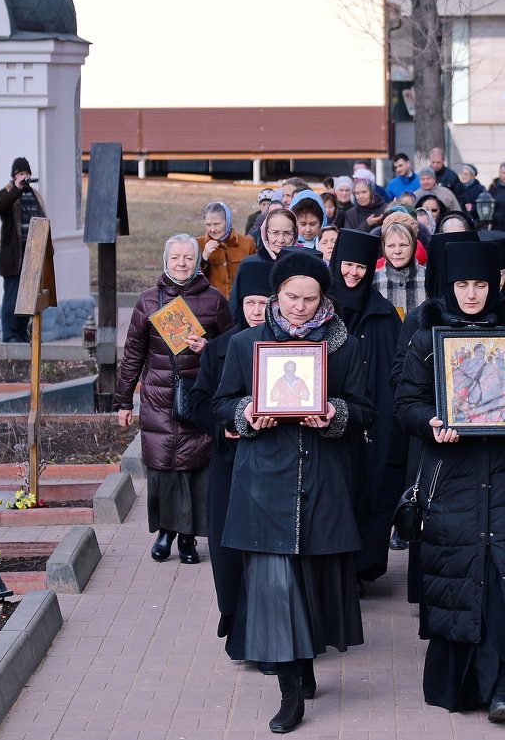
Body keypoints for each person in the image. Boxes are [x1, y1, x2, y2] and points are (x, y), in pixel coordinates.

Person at [393, 241, 505, 723]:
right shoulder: (428, 332)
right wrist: (432, 424)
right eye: (463, 284)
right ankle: (466, 682)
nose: (471, 294)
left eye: (480, 284)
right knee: (461, 575)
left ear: (497, 283)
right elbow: (406, 403)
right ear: (451, 285)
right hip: (452, 477)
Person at [212, 251, 373, 734]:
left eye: (310, 298)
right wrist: (245, 413)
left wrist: (334, 414)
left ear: (324, 298)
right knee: (273, 589)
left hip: (322, 481)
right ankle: (288, 694)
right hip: (263, 484)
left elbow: (365, 410)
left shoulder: (344, 346)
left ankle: (303, 667)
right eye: (291, 297)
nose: (300, 307)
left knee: (314, 587)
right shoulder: (246, 344)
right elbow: (220, 404)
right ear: (276, 295)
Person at [116, 234, 233, 565]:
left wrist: (207, 348)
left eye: (188, 257)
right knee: (163, 467)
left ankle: (188, 538)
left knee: (196, 469)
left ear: (197, 262)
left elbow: (233, 346)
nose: (181, 263)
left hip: (198, 396)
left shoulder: (214, 300)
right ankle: (165, 530)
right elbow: (133, 353)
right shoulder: (148, 301)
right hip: (158, 396)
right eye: (175, 257)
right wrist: (124, 401)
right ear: (165, 261)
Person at [188, 261, 273, 645]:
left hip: (274, 462)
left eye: (264, 302)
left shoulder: (290, 346)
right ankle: (236, 620)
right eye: (251, 302)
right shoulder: (220, 348)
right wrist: (224, 425)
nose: (257, 310)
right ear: (240, 303)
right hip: (231, 460)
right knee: (230, 549)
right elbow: (198, 402)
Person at [327, 229, 404, 587]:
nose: (353, 273)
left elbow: (395, 373)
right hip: (328, 419)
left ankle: (362, 570)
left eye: (360, 267)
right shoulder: (321, 309)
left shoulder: (384, 313)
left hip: (371, 423)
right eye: (348, 265)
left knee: (372, 491)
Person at [0, 157, 46, 343]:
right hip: (14, 257)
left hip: (32, 256)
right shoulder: (7, 193)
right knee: (12, 296)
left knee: (27, 297)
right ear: (15, 176)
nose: (25, 177)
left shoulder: (35, 195)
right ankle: (10, 335)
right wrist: (16, 188)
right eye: (22, 173)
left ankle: (22, 333)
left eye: (27, 173)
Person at [198, 201, 256, 298]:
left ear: (228, 221)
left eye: (217, 224)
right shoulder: (198, 245)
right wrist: (204, 258)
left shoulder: (247, 243)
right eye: (208, 225)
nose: (212, 229)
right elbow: (192, 282)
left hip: (241, 305)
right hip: (212, 306)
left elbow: (255, 277)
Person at [373, 218, 427, 317]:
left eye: (403, 245)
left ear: (413, 246)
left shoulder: (428, 277)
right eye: (391, 246)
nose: (397, 251)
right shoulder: (373, 279)